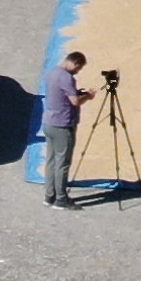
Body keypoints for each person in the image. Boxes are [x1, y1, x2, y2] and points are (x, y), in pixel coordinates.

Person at [41, 49, 91, 208]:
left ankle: (49, 195)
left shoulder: (52, 73)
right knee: (62, 163)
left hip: (49, 122)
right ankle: (61, 199)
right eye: (78, 68)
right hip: (63, 125)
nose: (77, 71)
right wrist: (87, 96)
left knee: (51, 161)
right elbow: (75, 102)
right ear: (75, 62)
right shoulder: (66, 78)